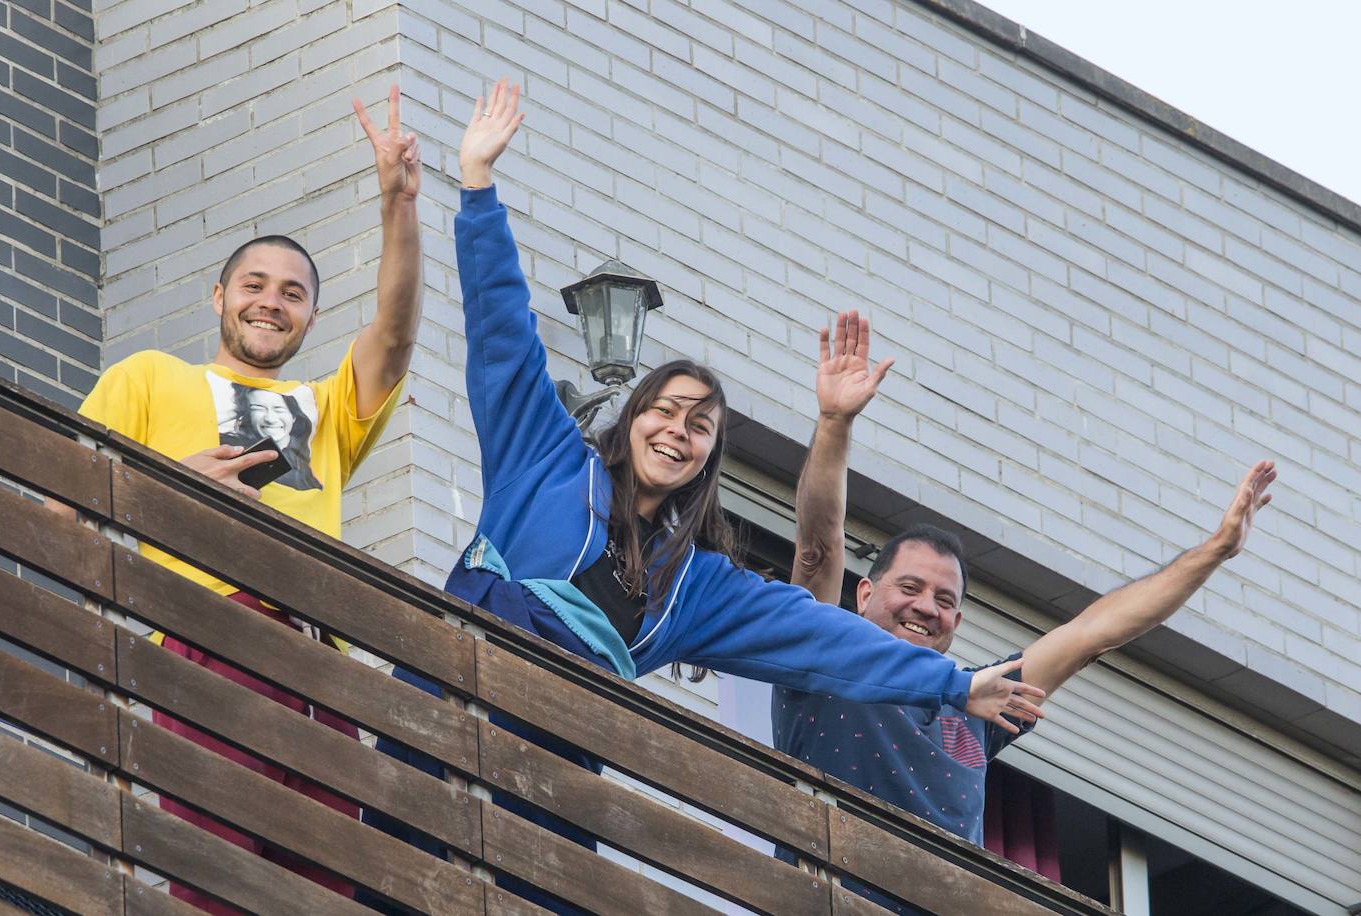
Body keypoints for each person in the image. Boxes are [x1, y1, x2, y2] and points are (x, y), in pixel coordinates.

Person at [364, 80, 1045, 914]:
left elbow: (823, 633)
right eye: (665, 410)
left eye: (700, 428)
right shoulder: (544, 459)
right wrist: (478, 188)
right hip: (443, 690)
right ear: (632, 417)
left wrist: (952, 686)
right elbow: (501, 332)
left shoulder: (697, 586)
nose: (677, 432)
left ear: (706, 460)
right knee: (391, 882)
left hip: (555, 760)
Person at [771, 313, 1277, 913]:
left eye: (945, 600)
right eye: (909, 587)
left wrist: (1216, 551)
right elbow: (819, 547)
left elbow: (1094, 632)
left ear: (956, 624)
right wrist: (834, 424)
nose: (925, 608)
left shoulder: (976, 708)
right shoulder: (821, 652)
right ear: (863, 595)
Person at [72, 86, 423, 912]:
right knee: (218, 875)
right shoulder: (152, 376)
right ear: (219, 298)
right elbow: (59, 503)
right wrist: (161, 492)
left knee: (325, 886)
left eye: (293, 292)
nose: (271, 300)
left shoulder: (325, 405)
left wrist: (397, 205)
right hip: (205, 631)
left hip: (317, 664)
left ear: (309, 317)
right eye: (254, 284)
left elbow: (397, 334)